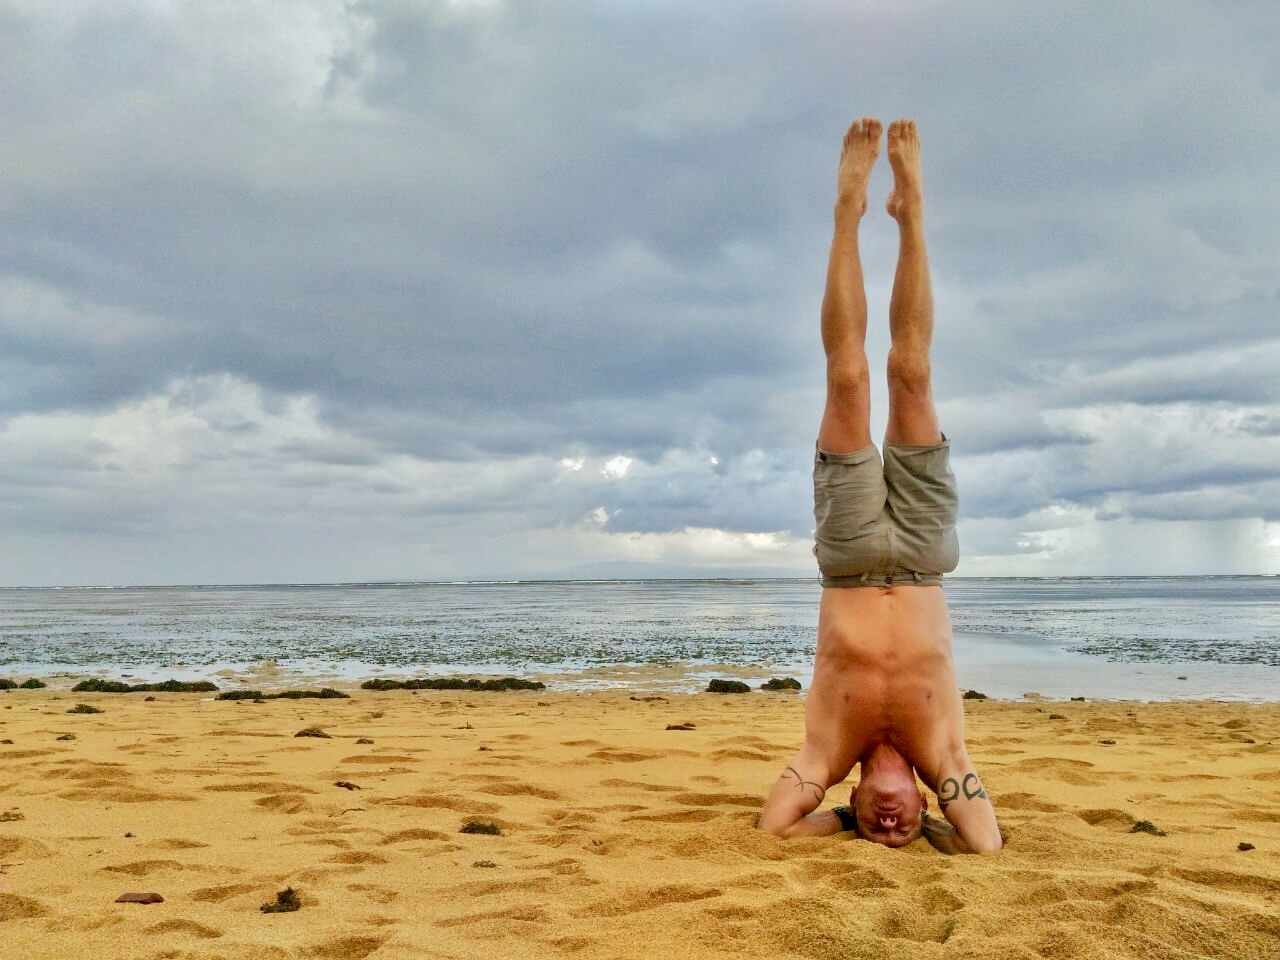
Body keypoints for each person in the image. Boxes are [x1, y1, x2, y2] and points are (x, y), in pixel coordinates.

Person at [756, 118, 1002, 854]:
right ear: (923, 805)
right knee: (912, 372)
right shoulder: (944, 760)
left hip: (850, 558)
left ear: (856, 797)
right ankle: (914, 211)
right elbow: (985, 845)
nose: (884, 824)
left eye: (870, 822)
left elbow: (775, 829)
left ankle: (849, 211)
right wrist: (932, 824)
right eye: (898, 828)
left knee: (848, 378)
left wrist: (832, 818)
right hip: (926, 555)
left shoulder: (827, 757)